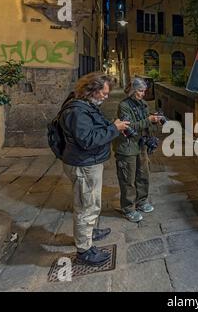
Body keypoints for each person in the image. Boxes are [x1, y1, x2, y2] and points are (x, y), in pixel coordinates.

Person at [60, 72, 130, 266]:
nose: (106, 97)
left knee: (90, 203)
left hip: (87, 162)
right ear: (92, 90)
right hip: (84, 164)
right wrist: (114, 129)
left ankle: (88, 232)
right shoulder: (77, 111)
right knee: (86, 206)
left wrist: (113, 126)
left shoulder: (84, 105)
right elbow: (88, 140)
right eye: (104, 93)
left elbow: (91, 130)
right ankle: (84, 251)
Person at [114, 77, 162, 223]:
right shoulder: (124, 106)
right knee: (128, 179)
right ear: (133, 91)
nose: (143, 94)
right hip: (127, 146)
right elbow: (128, 127)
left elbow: (145, 123)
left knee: (143, 174)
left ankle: (141, 202)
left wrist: (155, 120)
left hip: (141, 144)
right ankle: (128, 209)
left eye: (144, 91)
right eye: (140, 91)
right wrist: (149, 120)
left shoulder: (143, 104)